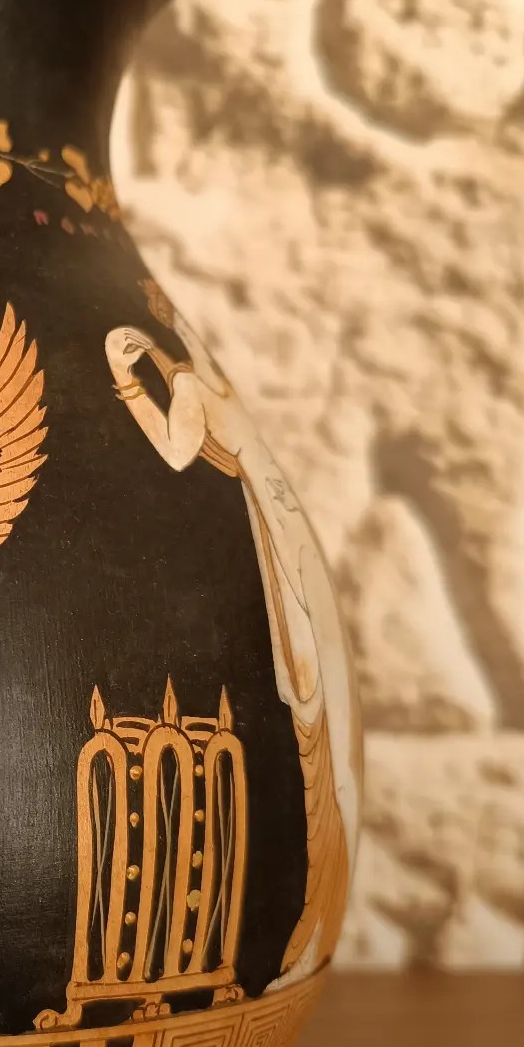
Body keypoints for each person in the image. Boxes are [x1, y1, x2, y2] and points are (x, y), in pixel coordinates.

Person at [104, 283, 361, 981]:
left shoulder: (191, 381)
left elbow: (176, 453)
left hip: (280, 549)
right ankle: (313, 907)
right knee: (313, 720)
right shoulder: (205, 377)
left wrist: (125, 381)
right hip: (283, 541)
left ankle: (312, 910)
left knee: (311, 715)